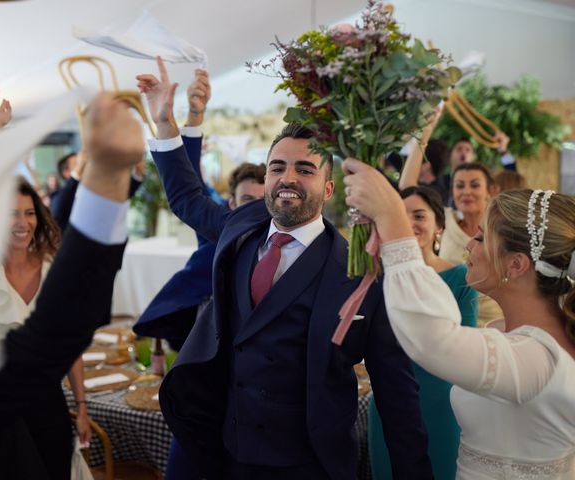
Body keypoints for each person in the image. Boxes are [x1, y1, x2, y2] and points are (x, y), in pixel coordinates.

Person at [137, 57, 432, 480]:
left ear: (329, 188)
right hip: (228, 454)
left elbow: (396, 395)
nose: (287, 178)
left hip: (310, 464)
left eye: (304, 169)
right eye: (278, 167)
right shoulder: (240, 227)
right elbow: (186, 197)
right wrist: (165, 122)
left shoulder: (362, 272)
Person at [0, 93, 144, 479]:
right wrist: (107, 180)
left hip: (39, 402)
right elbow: (56, 330)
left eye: (29, 213)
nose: (22, 222)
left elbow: (60, 336)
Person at [342, 158, 575, 480]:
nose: (469, 244)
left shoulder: (538, 358)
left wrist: (392, 218)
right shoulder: (523, 336)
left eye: (481, 237)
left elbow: (431, 338)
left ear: (516, 265)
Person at [367, 185, 477, 480]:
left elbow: (465, 343)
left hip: (441, 402)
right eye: (400, 215)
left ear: (439, 226)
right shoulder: (377, 278)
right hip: (388, 401)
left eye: (419, 215)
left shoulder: (461, 279)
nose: (409, 223)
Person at [0, 176, 92, 478]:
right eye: (12, 213)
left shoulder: (53, 271)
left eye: (29, 213)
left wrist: (82, 407)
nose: (23, 222)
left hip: (47, 402)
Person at [438, 163, 503, 325]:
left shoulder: (501, 228)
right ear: (452, 191)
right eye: (459, 186)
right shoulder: (444, 219)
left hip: (493, 320)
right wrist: (422, 138)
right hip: (449, 317)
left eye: (475, 185)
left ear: (490, 191)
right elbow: (408, 188)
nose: (466, 192)